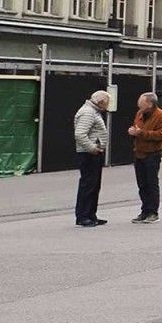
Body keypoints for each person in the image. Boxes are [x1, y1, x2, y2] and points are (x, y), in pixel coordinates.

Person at [129, 92, 162, 224]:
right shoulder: (140, 113)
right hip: (139, 152)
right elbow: (137, 126)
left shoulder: (161, 115)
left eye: (142, 104)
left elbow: (160, 135)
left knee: (151, 183)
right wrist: (133, 132)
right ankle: (144, 210)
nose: (139, 107)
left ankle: (153, 212)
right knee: (142, 184)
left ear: (150, 104)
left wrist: (142, 133)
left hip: (152, 153)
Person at [73, 90, 110, 228]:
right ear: (100, 102)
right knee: (88, 184)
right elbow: (80, 134)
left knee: (94, 185)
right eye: (107, 103)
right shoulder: (88, 112)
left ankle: (90, 214)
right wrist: (93, 148)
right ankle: (83, 216)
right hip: (88, 154)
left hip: (92, 153)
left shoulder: (93, 111)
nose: (107, 106)